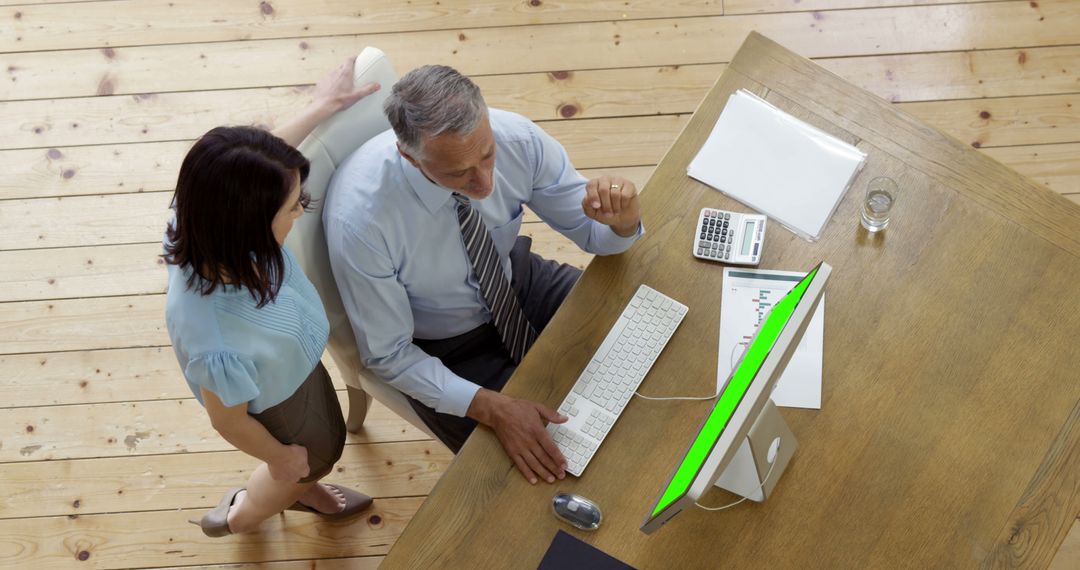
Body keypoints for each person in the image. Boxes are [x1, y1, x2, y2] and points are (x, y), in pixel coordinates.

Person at [323, 65, 644, 486]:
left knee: (645, 320)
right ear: (408, 156)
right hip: (445, 350)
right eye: (458, 172)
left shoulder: (518, 138)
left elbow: (591, 232)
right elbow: (389, 356)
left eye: (487, 154)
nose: (484, 181)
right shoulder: (361, 223)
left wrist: (623, 222)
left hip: (519, 283)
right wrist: (492, 407)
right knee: (554, 474)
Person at [163, 59, 380, 537]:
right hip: (274, 402)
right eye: (292, 207)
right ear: (247, 224)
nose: (300, 212)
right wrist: (279, 459)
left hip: (288, 366)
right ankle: (241, 515)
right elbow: (229, 420)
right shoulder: (214, 336)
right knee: (309, 457)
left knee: (314, 456)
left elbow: (252, 169)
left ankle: (302, 485)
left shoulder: (202, 211)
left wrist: (321, 107)